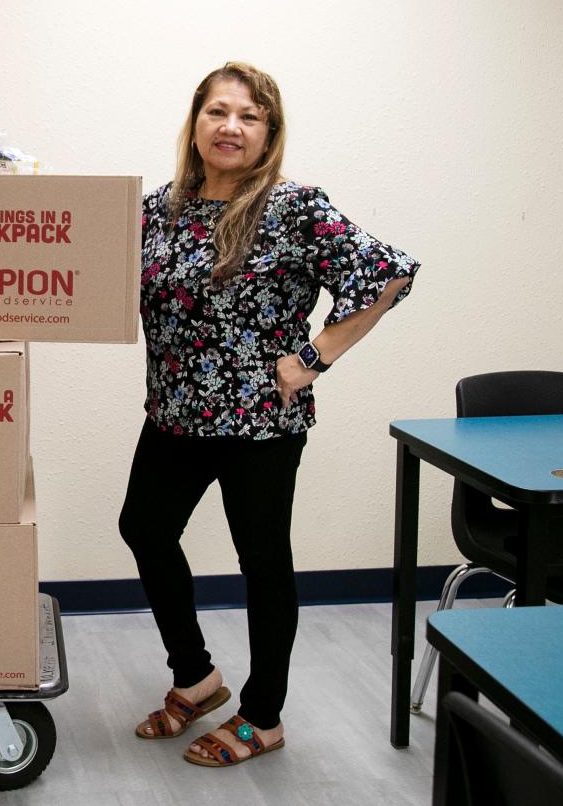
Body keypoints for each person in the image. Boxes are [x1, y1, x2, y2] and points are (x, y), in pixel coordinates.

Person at [120, 61, 419, 766]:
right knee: (143, 528)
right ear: (194, 122)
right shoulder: (157, 208)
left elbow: (391, 272)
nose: (230, 127)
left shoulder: (293, 207)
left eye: (248, 117)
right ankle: (195, 678)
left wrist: (313, 358)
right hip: (174, 413)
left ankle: (263, 716)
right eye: (217, 112)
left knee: (261, 563)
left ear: (267, 134)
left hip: (258, 421)